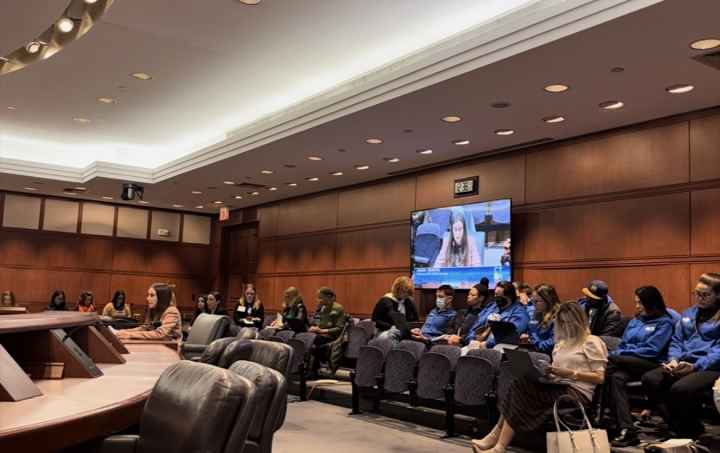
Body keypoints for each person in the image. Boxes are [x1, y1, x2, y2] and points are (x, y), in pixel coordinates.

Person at [472, 302, 608, 453]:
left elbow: (599, 377)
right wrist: (548, 373)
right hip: (557, 386)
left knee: (520, 388)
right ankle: (497, 444)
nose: (565, 325)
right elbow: (557, 372)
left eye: (568, 322)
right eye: (561, 321)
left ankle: (497, 442)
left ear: (578, 321)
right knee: (520, 383)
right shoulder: (561, 343)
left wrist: (570, 373)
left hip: (577, 393)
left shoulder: (591, 341)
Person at [641, 273, 720, 439]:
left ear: (718, 295)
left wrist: (695, 366)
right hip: (683, 362)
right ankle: (678, 426)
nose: (699, 298)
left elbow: (718, 352)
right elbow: (677, 340)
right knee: (650, 379)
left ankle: (688, 429)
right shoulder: (688, 313)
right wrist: (673, 360)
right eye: (697, 293)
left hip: (710, 366)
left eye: (705, 295)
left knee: (680, 388)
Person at [605, 286, 675, 447]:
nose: (637, 306)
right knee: (616, 377)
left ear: (652, 303)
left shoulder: (665, 323)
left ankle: (596, 409)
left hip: (651, 364)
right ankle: (627, 429)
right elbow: (623, 344)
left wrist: (620, 354)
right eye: (636, 302)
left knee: (607, 362)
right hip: (627, 363)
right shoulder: (635, 321)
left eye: (640, 303)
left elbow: (652, 350)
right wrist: (622, 353)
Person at [469, 281, 530, 351]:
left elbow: (511, 336)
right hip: (477, 345)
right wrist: (471, 339)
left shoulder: (520, 313)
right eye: (495, 295)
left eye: (499, 296)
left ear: (509, 297)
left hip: (499, 350)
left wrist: (487, 344)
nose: (496, 298)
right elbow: (477, 324)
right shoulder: (492, 307)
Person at [116, 283, 182, 341]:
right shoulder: (154, 310)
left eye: (152, 295)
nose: (147, 298)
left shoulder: (171, 311)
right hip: (158, 345)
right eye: (148, 295)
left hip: (171, 348)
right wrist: (123, 331)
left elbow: (160, 334)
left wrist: (130, 335)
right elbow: (144, 328)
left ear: (162, 297)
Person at [308, 287, 346, 376]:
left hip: (332, 337)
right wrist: (314, 327)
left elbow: (339, 328)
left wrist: (322, 330)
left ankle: (313, 369)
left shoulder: (338, 308)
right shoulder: (321, 308)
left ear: (328, 296)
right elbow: (318, 322)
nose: (319, 300)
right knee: (306, 337)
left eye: (321, 297)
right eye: (318, 298)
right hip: (320, 335)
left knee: (314, 341)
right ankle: (309, 368)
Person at [371, 276, 418, 341]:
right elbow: (375, 320)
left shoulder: (409, 302)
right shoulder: (385, 301)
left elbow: (415, 320)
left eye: (408, 293)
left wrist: (414, 329)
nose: (406, 295)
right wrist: (391, 327)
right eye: (404, 292)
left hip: (405, 333)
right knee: (393, 334)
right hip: (384, 331)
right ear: (397, 289)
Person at [521, 283, 561, 355]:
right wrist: (529, 338)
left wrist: (533, 335)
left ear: (548, 300)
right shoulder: (539, 314)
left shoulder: (559, 317)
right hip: (537, 354)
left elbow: (548, 346)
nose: (534, 304)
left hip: (550, 358)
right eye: (533, 301)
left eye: (537, 301)